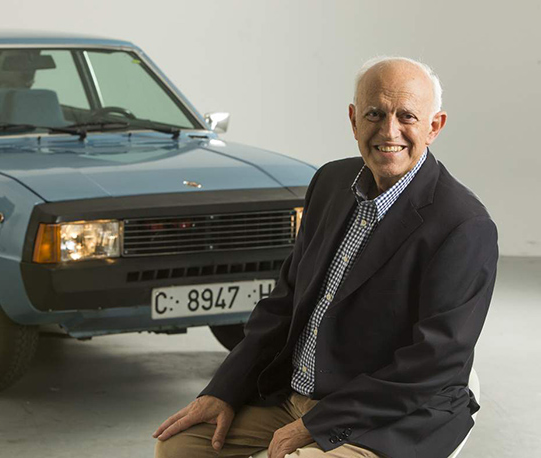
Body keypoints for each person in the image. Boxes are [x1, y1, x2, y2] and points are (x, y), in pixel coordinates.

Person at [152, 56, 498, 458]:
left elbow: (432, 364)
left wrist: (317, 424)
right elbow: (283, 305)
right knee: (178, 447)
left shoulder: (464, 225)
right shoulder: (330, 183)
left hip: (390, 416)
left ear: (434, 127)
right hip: (294, 394)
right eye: (375, 113)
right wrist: (223, 390)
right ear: (354, 120)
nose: (390, 131)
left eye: (407, 116)